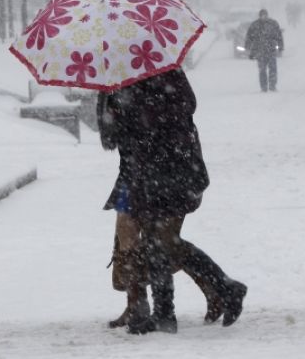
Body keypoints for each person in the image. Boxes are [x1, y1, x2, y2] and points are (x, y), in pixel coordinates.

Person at [98, 69, 247, 334]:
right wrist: (117, 113)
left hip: (173, 169)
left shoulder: (162, 69)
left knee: (162, 241)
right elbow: (111, 136)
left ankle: (219, 291)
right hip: (145, 172)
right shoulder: (114, 76)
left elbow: (184, 106)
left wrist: (138, 112)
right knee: (157, 243)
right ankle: (168, 311)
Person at [245, 9, 284, 92]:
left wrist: (280, 47)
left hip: (271, 50)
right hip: (260, 51)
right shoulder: (254, 25)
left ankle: (272, 85)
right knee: (262, 70)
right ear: (259, 16)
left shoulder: (273, 24)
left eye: (265, 15)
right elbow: (249, 37)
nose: (264, 17)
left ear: (267, 15)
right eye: (262, 15)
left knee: (273, 69)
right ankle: (263, 87)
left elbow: (279, 36)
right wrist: (248, 48)